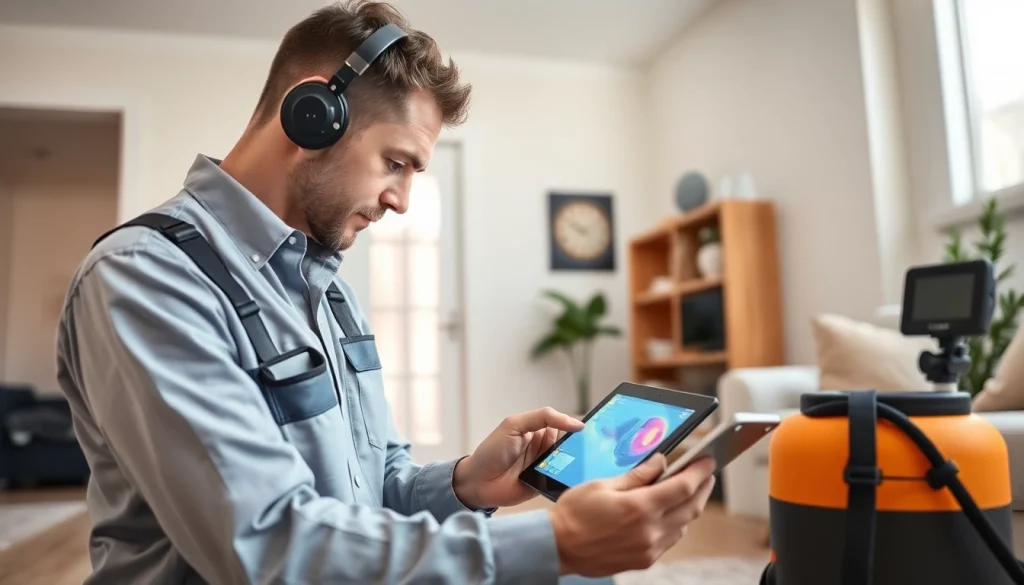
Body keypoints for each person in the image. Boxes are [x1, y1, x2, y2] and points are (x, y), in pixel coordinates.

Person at [55, 1, 718, 583]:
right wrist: (560, 538)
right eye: (396, 162)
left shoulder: (328, 291)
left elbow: (375, 491)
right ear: (311, 114)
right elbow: (265, 547)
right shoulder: (147, 278)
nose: (401, 199)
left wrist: (466, 482)